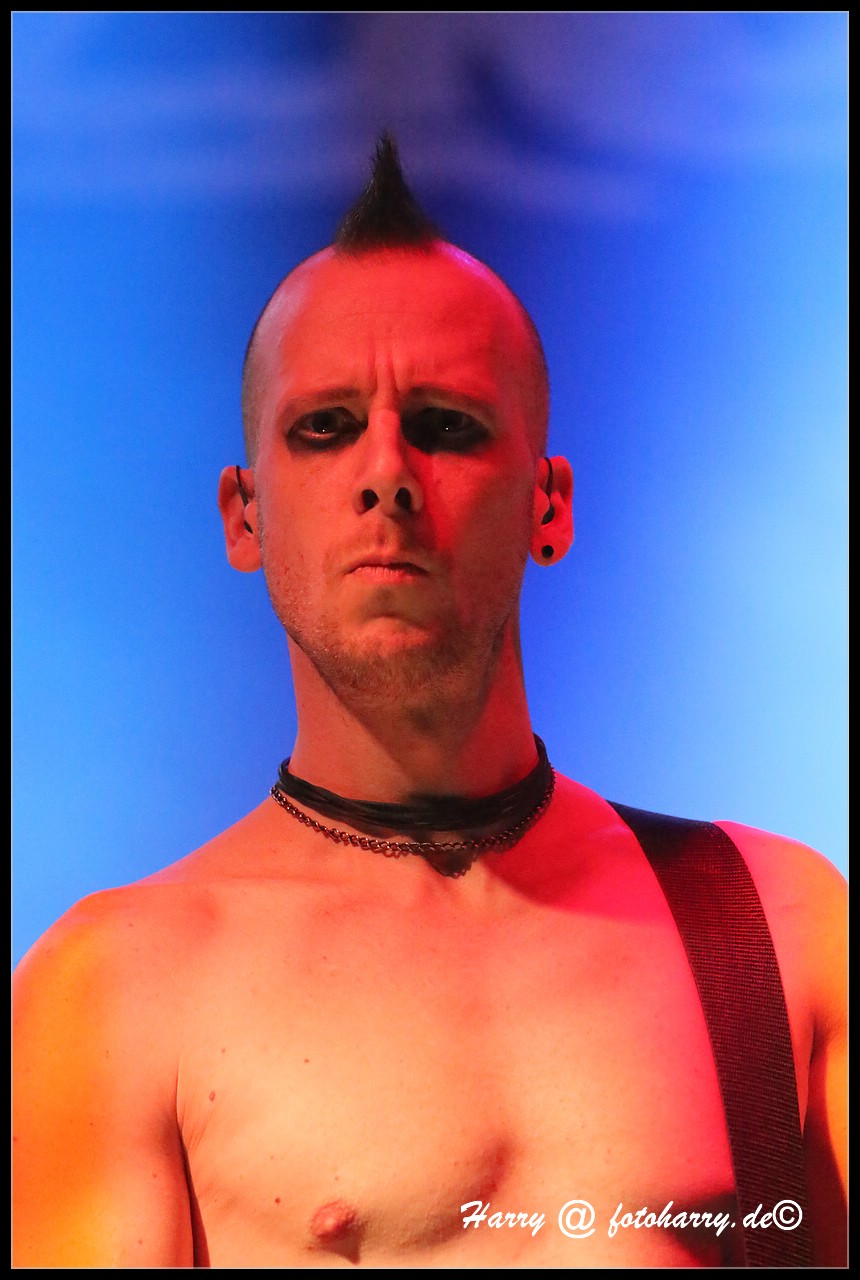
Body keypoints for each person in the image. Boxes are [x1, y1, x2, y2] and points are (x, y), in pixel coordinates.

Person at [13, 137, 846, 1269]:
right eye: (325, 426)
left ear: (548, 504)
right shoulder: (117, 989)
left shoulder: (782, 929)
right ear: (245, 516)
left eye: (446, 425)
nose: (386, 474)